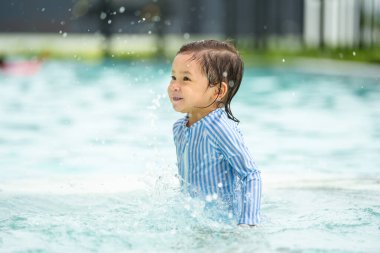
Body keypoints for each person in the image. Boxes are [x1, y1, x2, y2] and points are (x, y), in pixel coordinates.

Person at [167, 40, 262, 226]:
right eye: (173, 77)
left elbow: (251, 174)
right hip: (198, 222)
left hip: (225, 224)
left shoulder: (219, 128)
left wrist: (248, 224)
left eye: (186, 79)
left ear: (218, 91)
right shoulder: (179, 128)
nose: (174, 86)